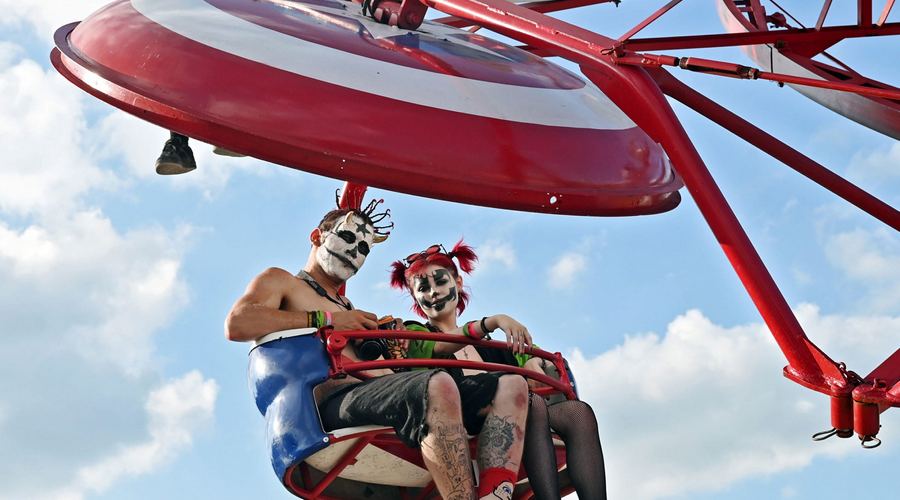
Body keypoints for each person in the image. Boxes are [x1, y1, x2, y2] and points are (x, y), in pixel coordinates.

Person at [224, 201, 529, 500]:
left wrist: (391, 348)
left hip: (376, 394)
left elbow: (390, 367)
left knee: (510, 384)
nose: (354, 253)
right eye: (347, 238)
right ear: (317, 236)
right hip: (330, 401)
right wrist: (329, 320)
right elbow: (238, 323)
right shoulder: (283, 281)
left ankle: (494, 494)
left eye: (364, 250)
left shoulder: (351, 309)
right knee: (436, 383)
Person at [390, 241, 607, 500]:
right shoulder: (416, 333)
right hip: (459, 417)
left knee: (577, 412)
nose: (434, 292)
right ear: (415, 298)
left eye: (440, 282)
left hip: (516, 416)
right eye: (423, 288)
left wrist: (531, 360)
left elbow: (528, 351)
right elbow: (439, 347)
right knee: (531, 402)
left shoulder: (491, 345)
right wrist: (494, 321)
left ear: (458, 283)